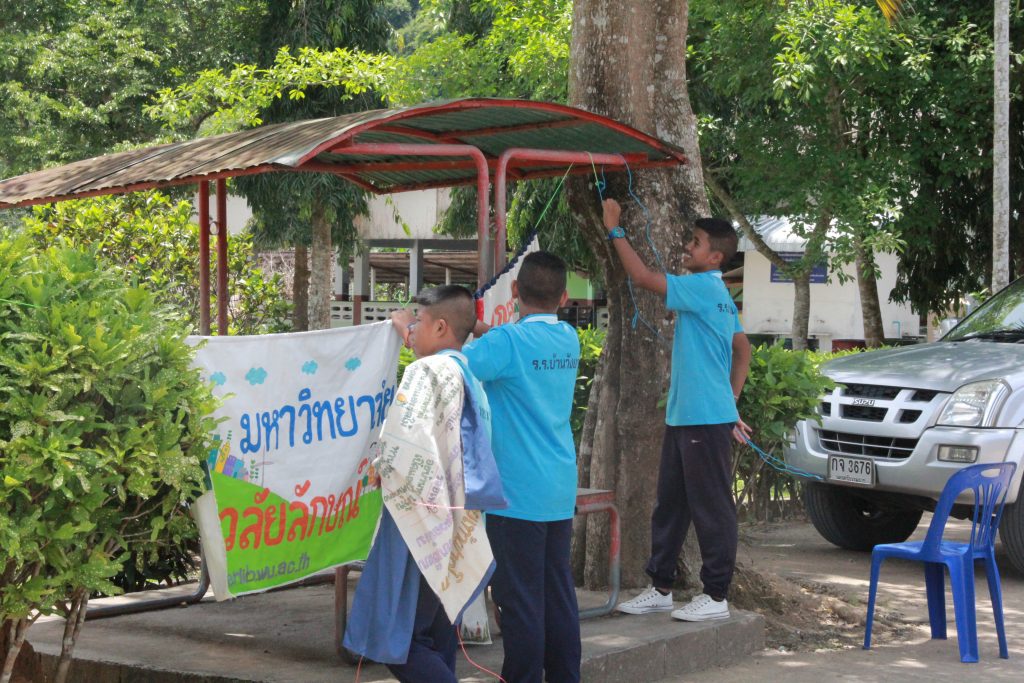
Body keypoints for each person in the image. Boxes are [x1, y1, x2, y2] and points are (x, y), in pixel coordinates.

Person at [344, 285, 505, 683]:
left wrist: (380, 465)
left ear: (441, 327)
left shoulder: (426, 371)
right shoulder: (470, 376)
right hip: (459, 525)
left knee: (397, 640)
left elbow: (403, 449)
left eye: (418, 320)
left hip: (418, 524)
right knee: (437, 633)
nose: (412, 329)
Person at [602, 198, 752, 622]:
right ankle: (661, 588)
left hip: (703, 418)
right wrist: (729, 402)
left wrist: (615, 228)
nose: (688, 246)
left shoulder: (704, 286)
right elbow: (743, 349)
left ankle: (716, 596)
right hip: (689, 416)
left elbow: (641, 277)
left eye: (696, 242)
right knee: (670, 505)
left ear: (715, 257)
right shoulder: (719, 294)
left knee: (712, 508)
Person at [462, 251, 583, 683]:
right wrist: (483, 329)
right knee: (557, 594)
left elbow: (460, 362)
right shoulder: (568, 337)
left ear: (514, 291)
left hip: (516, 496)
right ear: (564, 297)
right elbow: (509, 342)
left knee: (519, 602)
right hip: (558, 490)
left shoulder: (506, 345)